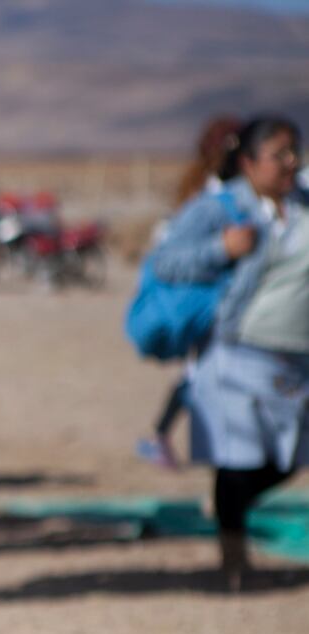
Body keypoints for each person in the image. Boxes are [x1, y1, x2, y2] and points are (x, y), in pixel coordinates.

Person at [150, 115, 307, 591]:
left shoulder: (304, 204)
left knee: (291, 455)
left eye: (294, 151)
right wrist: (222, 248)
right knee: (236, 457)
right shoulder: (220, 208)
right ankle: (234, 557)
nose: (291, 162)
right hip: (237, 350)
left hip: (296, 356)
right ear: (248, 162)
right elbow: (165, 261)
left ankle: (230, 511)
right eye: (278, 154)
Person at [136, 115, 244, 470]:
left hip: (230, 308)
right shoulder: (208, 199)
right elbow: (168, 258)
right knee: (203, 379)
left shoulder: (234, 193)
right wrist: (221, 251)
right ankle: (165, 438)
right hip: (210, 305)